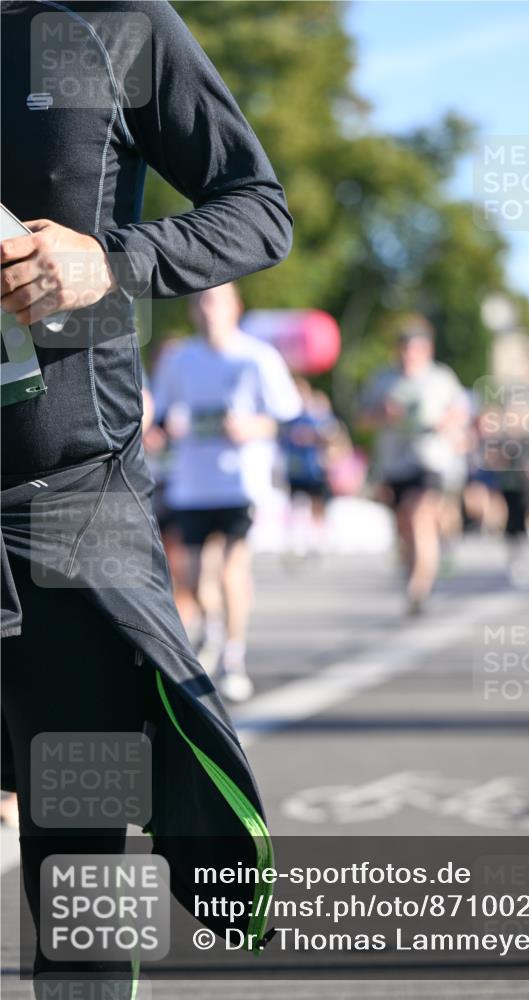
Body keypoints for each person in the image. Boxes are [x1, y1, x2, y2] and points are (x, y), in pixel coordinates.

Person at [1, 1, 291, 987]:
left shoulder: (115, 21)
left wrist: (110, 260)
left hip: (63, 509)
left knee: (75, 870)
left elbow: (258, 207)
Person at [150, 283, 302, 701]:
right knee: (197, 580)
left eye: (215, 300)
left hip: (240, 483)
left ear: (236, 307)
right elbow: (160, 415)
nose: (207, 308)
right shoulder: (180, 359)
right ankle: (215, 632)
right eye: (199, 301)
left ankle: (234, 660)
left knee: (233, 571)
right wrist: (164, 429)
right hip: (192, 485)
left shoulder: (258, 357)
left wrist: (253, 427)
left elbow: (287, 416)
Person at [359, 315, 469, 615]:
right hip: (394, 463)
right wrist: (382, 414)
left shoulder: (440, 378)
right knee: (405, 525)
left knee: (419, 516)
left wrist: (444, 422)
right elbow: (363, 418)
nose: (409, 354)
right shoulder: (383, 379)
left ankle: (417, 588)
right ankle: (418, 573)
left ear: (427, 349)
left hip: (429, 460)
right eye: (404, 347)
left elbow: (462, 411)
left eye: (415, 348)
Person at [281, 378, 340, 559]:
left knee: (318, 506)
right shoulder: (288, 419)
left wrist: (316, 437)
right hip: (295, 471)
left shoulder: (317, 417)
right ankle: (296, 543)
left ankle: (320, 541)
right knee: (296, 507)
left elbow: (332, 436)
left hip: (314, 470)